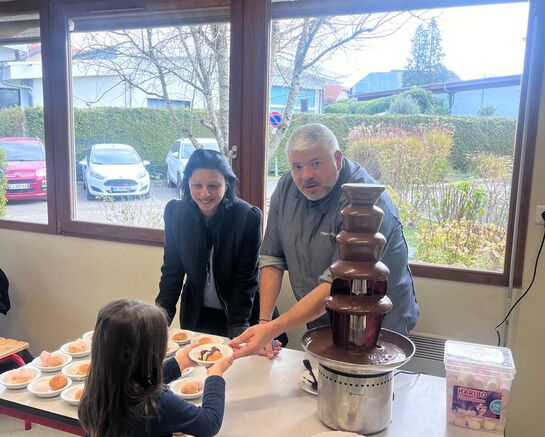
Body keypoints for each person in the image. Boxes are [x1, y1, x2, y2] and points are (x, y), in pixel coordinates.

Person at [231, 123, 419, 358]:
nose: (305, 176)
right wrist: (264, 321)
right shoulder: (286, 187)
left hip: (376, 328)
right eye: (296, 166)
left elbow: (338, 284)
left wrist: (273, 330)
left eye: (316, 163)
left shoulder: (366, 202)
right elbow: (272, 259)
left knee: (368, 389)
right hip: (320, 319)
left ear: (338, 159)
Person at [155, 148, 285, 348]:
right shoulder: (175, 213)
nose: (204, 193)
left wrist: (238, 330)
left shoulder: (247, 218)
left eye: (213, 186)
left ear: (227, 184)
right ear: (187, 183)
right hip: (198, 315)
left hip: (243, 314)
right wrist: (158, 323)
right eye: (197, 185)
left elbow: (246, 281)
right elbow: (172, 272)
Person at [78, 299, 233, 437]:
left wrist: (177, 364)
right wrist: (215, 376)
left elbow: (136, 381)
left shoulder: (98, 390)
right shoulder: (159, 404)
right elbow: (209, 423)